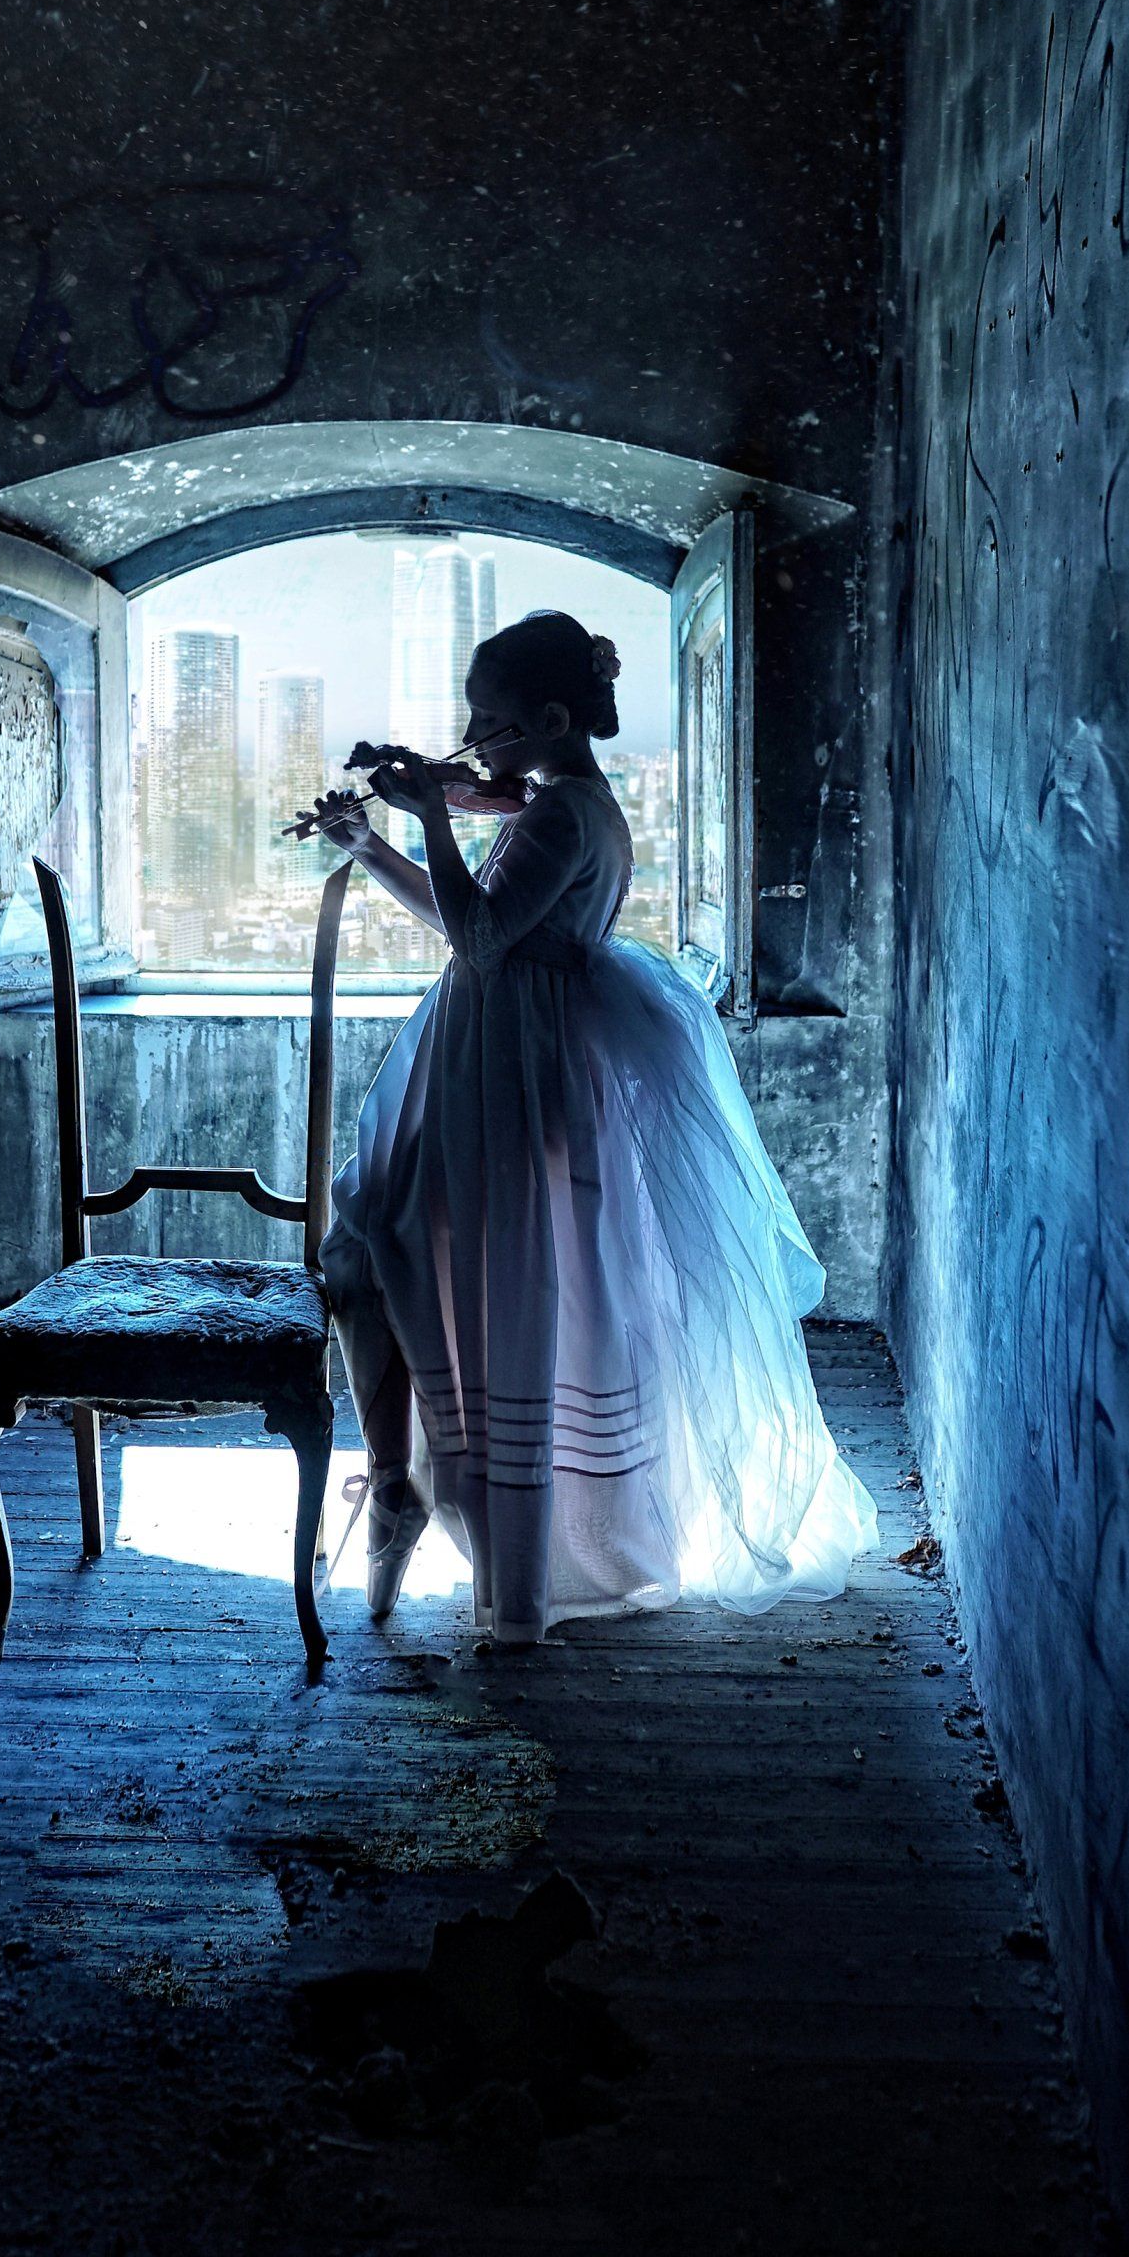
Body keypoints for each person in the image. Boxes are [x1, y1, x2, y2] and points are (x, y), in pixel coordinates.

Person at [301, 608, 876, 1645]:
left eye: (489, 721)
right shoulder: (555, 804)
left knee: (418, 1256)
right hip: (501, 1059)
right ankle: (407, 1482)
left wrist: (433, 817)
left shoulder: (566, 816)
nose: (470, 741)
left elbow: (480, 938)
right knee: (387, 1245)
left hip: (513, 1074)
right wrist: (373, 839)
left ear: (552, 720)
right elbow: (473, 922)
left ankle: (415, 1491)